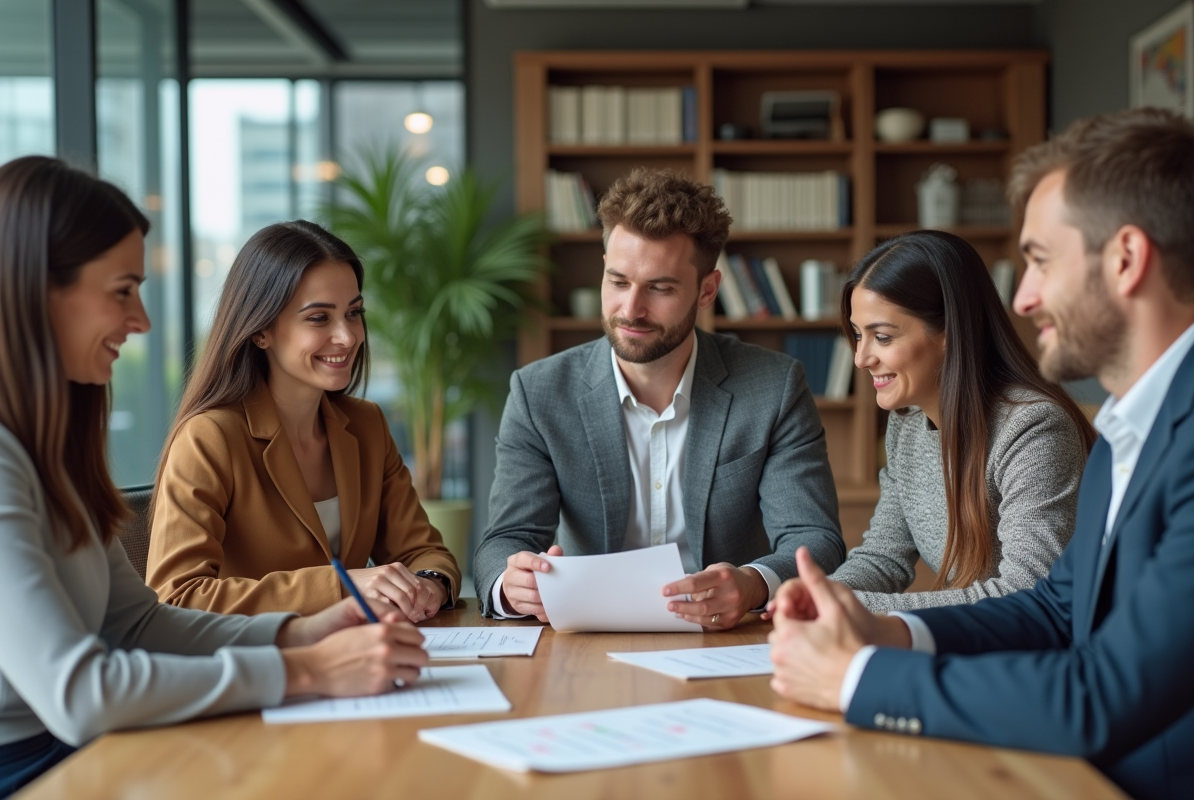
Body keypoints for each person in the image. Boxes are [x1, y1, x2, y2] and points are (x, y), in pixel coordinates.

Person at [767, 108, 1194, 800]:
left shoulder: (1152, 433)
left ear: (1125, 258)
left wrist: (856, 676)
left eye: (1039, 261)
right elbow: (1055, 611)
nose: (1023, 298)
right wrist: (884, 627)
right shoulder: (1129, 426)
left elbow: (1102, 692)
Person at [0, 156, 427, 798]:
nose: (141, 320)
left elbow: (138, 625)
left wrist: (301, 630)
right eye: (122, 291)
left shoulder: (49, 448)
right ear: (36, 290)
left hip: (87, 748)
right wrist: (304, 669)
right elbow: (81, 694)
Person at [474, 168, 845, 629]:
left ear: (707, 290)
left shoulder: (774, 386)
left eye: (660, 288)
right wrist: (511, 586)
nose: (631, 310)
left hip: (725, 638)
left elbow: (815, 539)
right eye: (618, 281)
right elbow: (505, 541)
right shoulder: (539, 392)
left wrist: (753, 582)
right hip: (588, 639)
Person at [146, 221, 460, 620]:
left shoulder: (366, 426)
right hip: (258, 669)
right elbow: (177, 596)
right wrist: (343, 587)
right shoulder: (210, 438)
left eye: (354, 313)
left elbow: (422, 551)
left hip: (362, 660)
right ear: (261, 331)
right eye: (318, 318)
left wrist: (428, 584)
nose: (347, 336)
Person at [814, 230, 1094, 612]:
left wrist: (857, 609)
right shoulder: (907, 425)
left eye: (881, 337)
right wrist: (819, 596)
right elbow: (883, 557)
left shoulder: (1034, 429)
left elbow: (1027, 593)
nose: (861, 358)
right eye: (858, 335)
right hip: (975, 647)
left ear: (949, 332)